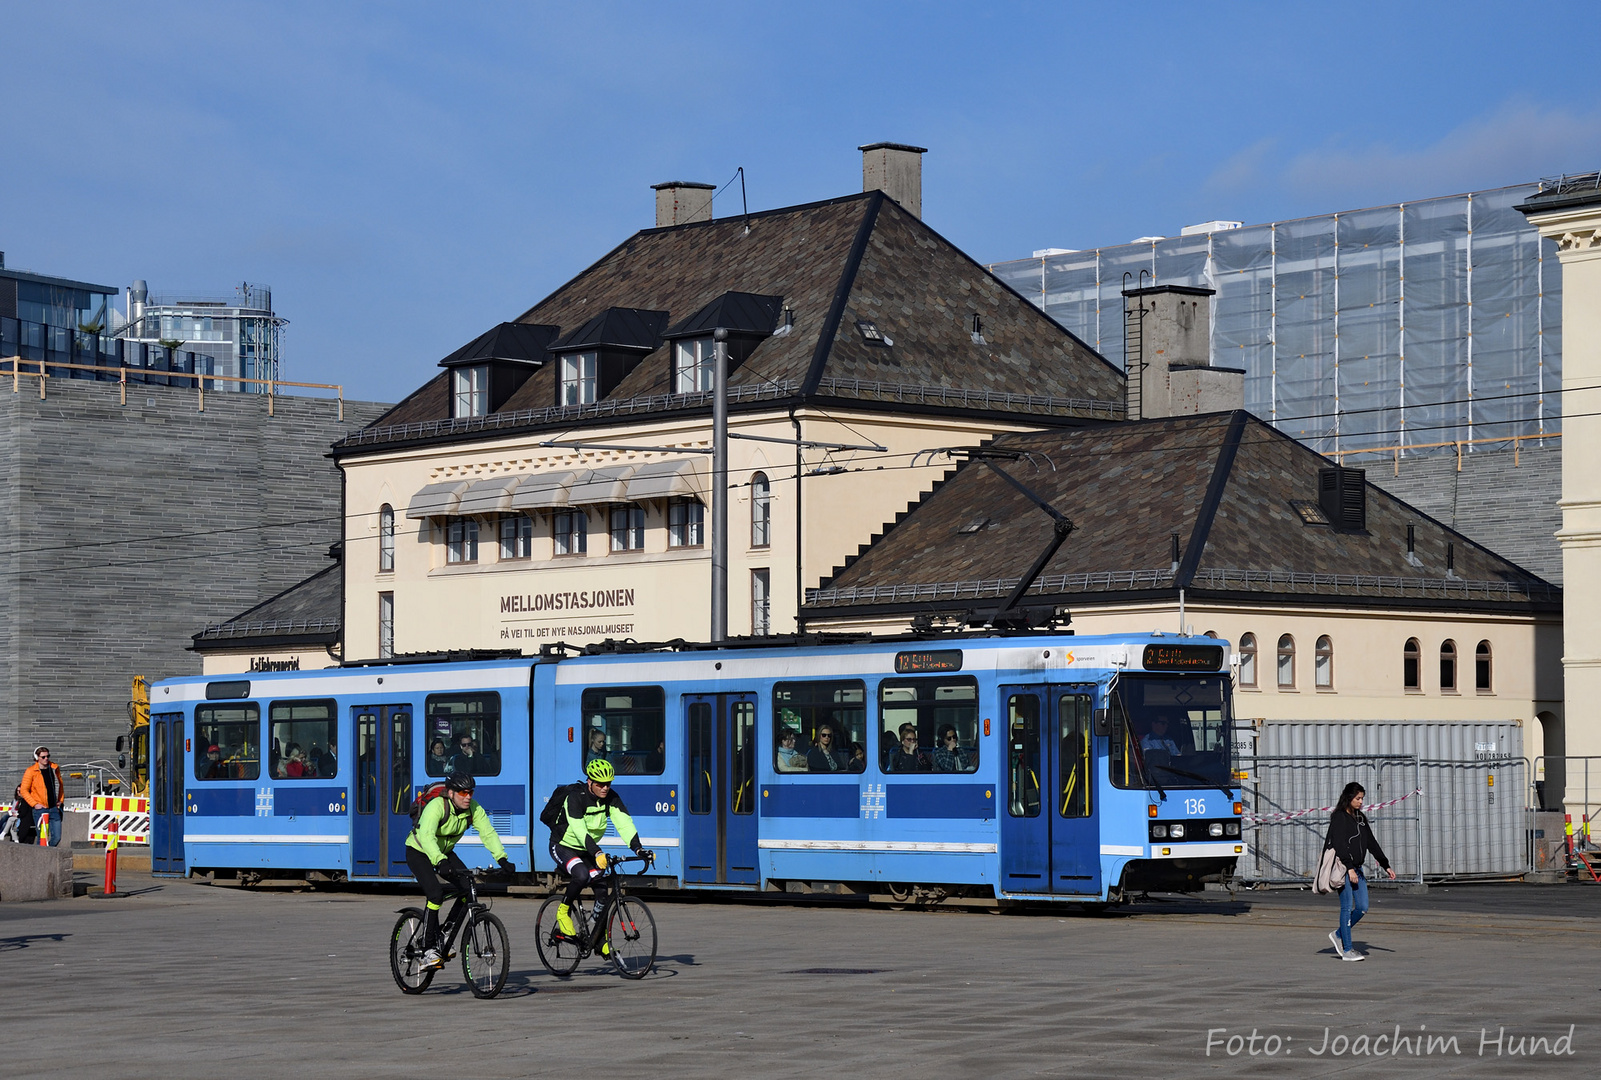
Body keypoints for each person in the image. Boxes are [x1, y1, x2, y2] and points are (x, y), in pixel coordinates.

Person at [405, 772, 515, 969]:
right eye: (463, 793)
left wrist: (502, 858)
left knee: (469, 887)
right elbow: (427, 836)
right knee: (435, 894)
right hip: (419, 850)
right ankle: (428, 949)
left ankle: (446, 931)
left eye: (470, 792)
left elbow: (487, 833)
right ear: (451, 793)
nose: (468, 797)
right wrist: (439, 861)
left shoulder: (473, 809)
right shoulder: (437, 806)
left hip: (445, 852)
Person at [548, 759, 652, 949]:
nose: (605, 788)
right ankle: (563, 911)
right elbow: (579, 830)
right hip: (563, 845)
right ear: (590, 782)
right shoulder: (575, 797)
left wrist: (638, 848)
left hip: (587, 849)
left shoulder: (611, 798)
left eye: (608, 784)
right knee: (581, 874)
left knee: (602, 889)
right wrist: (597, 853)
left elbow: (624, 823)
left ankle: (597, 937)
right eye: (600, 784)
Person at [1323, 782, 1396, 962]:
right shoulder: (1339, 817)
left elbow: (1370, 842)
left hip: (1358, 868)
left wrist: (1385, 864)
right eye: (1358, 798)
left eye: (1362, 798)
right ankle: (1347, 949)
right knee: (1346, 907)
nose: (1361, 802)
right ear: (1349, 798)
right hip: (1344, 867)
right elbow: (1339, 844)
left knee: (1362, 907)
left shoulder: (1360, 818)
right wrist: (1349, 868)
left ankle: (1339, 934)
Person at [19, 746, 66, 846]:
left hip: (54, 807)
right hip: (40, 809)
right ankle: (40, 858)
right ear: (37, 758)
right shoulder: (31, 771)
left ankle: (48, 853)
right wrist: (35, 804)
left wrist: (60, 800)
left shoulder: (54, 768)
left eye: (48, 756)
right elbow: (23, 790)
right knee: (42, 837)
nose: (46, 759)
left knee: (57, 837)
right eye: (43, 757)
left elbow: (60, 785)